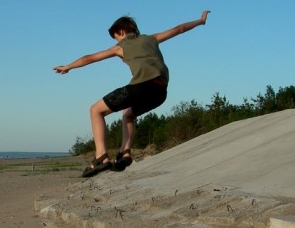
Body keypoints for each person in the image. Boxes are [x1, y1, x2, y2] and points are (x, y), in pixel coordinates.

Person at [54, 10, 210, 177]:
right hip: (160, 92)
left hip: (141, 87)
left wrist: (68, 66)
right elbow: (179, 29)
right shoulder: (152, 39)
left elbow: (89, 58)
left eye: (116, 38)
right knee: (128, 115)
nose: (117, 42)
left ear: (121, 32)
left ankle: (101, 157)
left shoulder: (121, 47)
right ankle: (125, 152)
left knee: (95, 110)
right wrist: (200, 21)